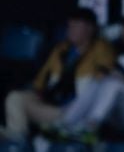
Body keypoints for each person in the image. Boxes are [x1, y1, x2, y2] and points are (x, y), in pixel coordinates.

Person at [3, 8, 115, 139]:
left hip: (77, 112)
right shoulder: (61, 49)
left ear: (90, 28)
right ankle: (17, 137)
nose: (71, 30)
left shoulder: (102, 49)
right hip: (54, 107)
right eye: (69, 26)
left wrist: (79, 105)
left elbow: (101, 82)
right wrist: (37, 93)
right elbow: (40, 82)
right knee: (16, 97)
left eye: (76, 26)